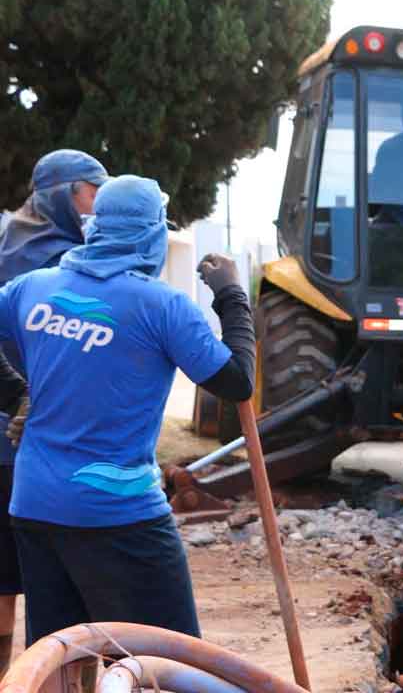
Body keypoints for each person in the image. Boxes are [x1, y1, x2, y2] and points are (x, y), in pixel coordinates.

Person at [0, 175, 255, 645]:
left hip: (36, 505)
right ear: (152, 231)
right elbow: (237, 384)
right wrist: (231, 295)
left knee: (64, 660)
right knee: (167, 663)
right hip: (118, 514)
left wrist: (13, 395)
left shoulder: (33, 289)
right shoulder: (161, 306)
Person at [0, 149, 108, 673]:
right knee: (68, 583)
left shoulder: (7, 244)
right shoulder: (69, 264)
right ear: (65, 195)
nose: (98, 205)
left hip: (16, 438)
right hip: (42, 442)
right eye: (93, 192)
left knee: (5, 581)